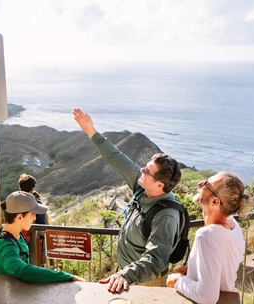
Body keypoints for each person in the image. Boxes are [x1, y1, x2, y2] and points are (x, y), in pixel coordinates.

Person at [73, 109, 184, 292]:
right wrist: (92, 132)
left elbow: (156, 259)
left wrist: (126, 274)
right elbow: (117, 158)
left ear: (160, 185)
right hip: (126, 274)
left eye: (147, 172)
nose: (141, 170)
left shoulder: (166, 215)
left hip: (145, 281)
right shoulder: (143, 187)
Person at [166, 172, 254, 304]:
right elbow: (223, 263)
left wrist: (178, 280)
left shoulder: (207, 235)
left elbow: (207, 297)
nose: (199, 184)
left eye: (206, 184)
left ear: (215, 202)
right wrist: (193, 267)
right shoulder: (232, 224)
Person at [0, 191, 85, 283]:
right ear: (19, 217)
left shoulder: (14, 234)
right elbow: (23, 271)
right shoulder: (5, 246)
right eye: (32, 214)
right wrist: (68, 277)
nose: (35, 218)